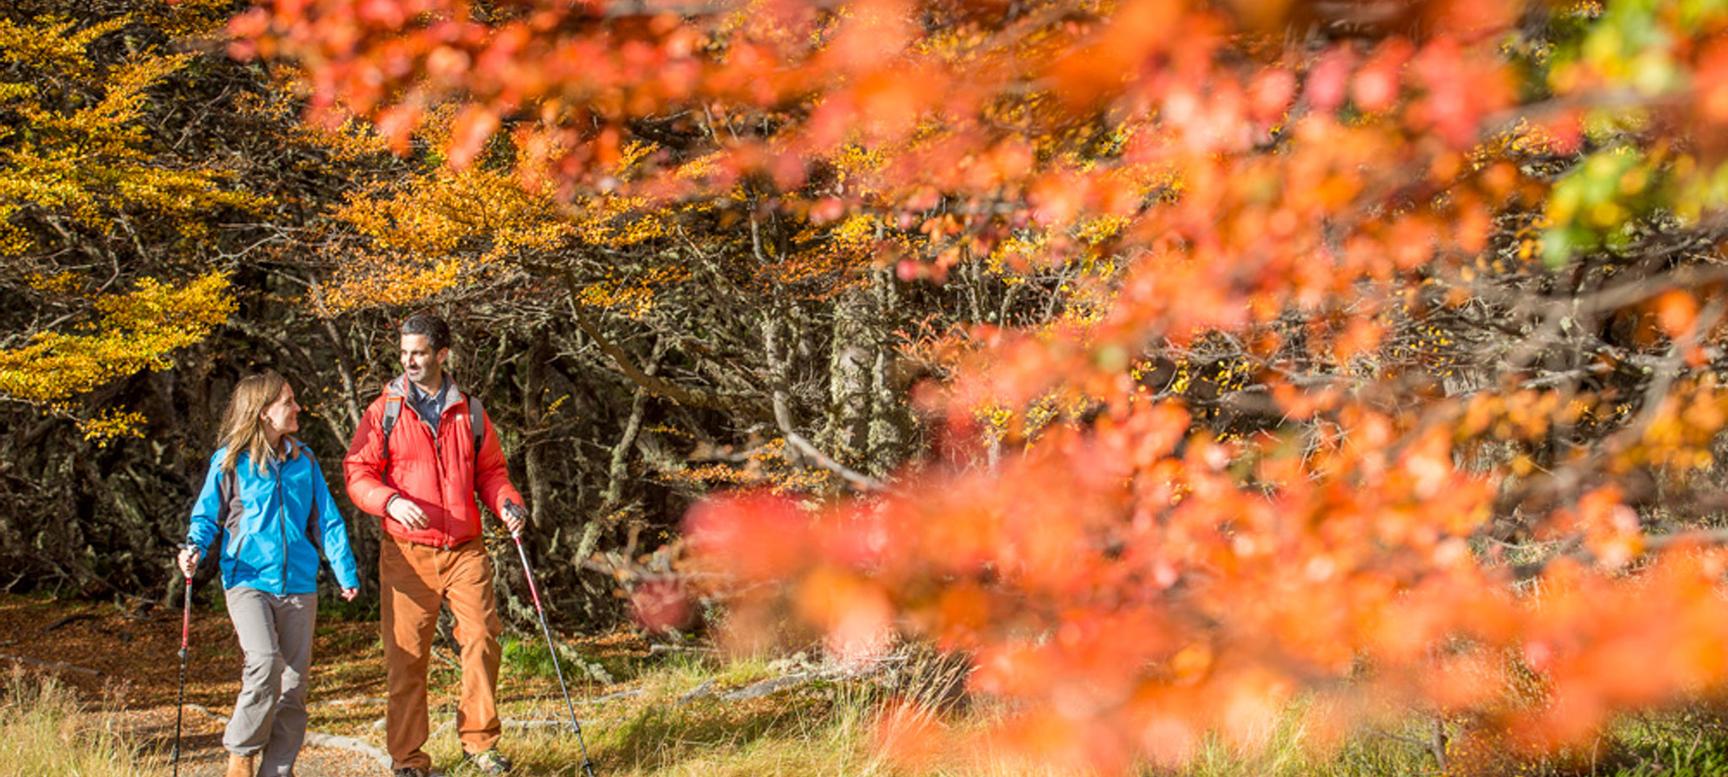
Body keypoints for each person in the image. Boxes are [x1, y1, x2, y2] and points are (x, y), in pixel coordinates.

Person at [344, 312, 528, 777]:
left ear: (442, 354)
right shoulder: (383, 412)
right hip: (407, 553)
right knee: (406, 657)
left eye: (419, 353)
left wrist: (508, 503)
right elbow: (358, 473)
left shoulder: (471, 411)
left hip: (465, 548)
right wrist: (389, 502)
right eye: (404, 353)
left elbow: (491, 473)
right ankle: (408, 760)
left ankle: (480, 745)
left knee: (483, 638)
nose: (409, 361)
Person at [176, 370, 362, 777]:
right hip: (248, 580)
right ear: (263, 412)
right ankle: (241, 754)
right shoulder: (230, 461)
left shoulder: (304, 461)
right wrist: (192, 548)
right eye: (288, 402)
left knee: (294, 688)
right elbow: (206, 516)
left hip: (299, 584)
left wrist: (345, 571)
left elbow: (327, 520)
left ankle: (277, 771)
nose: (297, 408)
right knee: (264, 662)